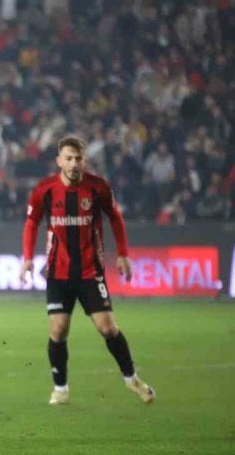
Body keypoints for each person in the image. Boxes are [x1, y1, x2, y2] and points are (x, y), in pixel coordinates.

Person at [22, 136, 156, 406]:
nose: (73, 164)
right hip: (58, 273)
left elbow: (115, 218)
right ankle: (60, 388)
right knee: (58, 330)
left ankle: (132, 380)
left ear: (85, 159)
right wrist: (27, 258)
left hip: (89, 271)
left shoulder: (98, 188)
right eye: (68, 158)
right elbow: (32, 222)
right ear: (59, 160)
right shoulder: (44, 189)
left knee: (107, 328)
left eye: (78, 158)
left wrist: (123, 254)